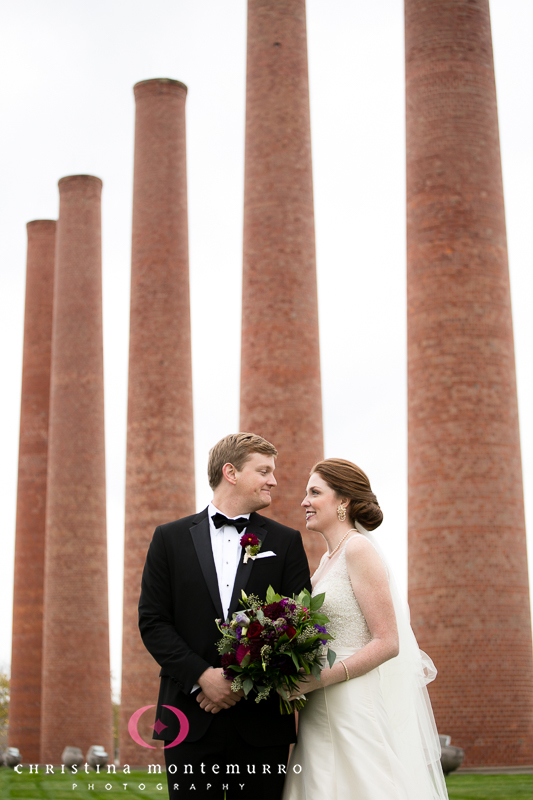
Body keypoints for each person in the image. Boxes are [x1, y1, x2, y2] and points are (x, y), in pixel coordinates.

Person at [138, 433, 312, 800]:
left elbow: (299, 624)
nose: (274, 480)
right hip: (188, 715)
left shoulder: (285, 542)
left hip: (261, 722)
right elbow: (153, 621)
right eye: (263, 470)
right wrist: (201, 677)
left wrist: (239, 681)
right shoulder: (168, 539)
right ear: (230, 472)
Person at [282, 458, 448, 800]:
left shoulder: (358, 549)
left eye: (315, 492)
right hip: (317, 707)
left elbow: (388, 642)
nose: (304, 502)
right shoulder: (328, 559)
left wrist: (318, 679)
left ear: (343, 501)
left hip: (351, 701)